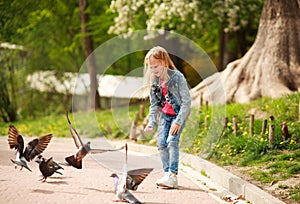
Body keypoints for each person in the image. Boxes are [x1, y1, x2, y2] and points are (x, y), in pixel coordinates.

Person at [143, 46, 191, 188]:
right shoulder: (155, 82)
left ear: (164, 62)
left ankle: (173, 176)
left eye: (155, 66)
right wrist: (151, 121)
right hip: (165, 116)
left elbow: (186, 102)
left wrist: (178, 121)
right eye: (150, 67)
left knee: (171, 142)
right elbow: (154, 105)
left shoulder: (178, 77)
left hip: (178, 116)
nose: (153, 70)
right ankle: (166, 174)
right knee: (161, 144)